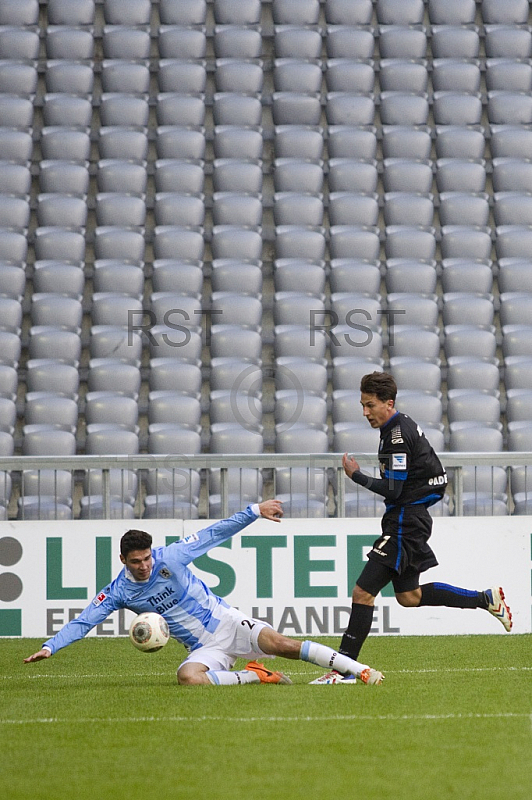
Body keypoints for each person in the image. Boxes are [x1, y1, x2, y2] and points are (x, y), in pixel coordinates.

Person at [24, 499, 384, 686]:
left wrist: (253, 512)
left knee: (284, 645)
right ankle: (255, 676)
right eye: (137, 561)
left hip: (228, 623)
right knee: (187, 678)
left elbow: (215, 533)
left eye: (148, 558)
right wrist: (50, 646)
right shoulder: (118, 592)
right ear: (123, 560)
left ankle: (359, 670)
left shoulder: (172, 557)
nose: (145, 566)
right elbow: (86, 620)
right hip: (203, 648)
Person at [312, 371, 512, 685]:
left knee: (363, 592)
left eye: (370, 405)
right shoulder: (396, 426)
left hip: (406, 521)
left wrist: (356, 476)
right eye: (362, 405)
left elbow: (393, 489)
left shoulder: (396, 435)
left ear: (388, 403)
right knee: (410, 596)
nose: (365, 412)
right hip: (408, 518)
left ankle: (343, 671)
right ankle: (484, 599)